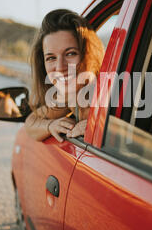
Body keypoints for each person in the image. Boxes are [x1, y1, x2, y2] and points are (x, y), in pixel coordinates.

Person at [23, 9, 104, 142]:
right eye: (51, 58)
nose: (60, 67)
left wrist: (102, 127)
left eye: (70, 53)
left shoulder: (112, 95)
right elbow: (30, 122)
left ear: (90, 54)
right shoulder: (71, 98)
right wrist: (50, 126)